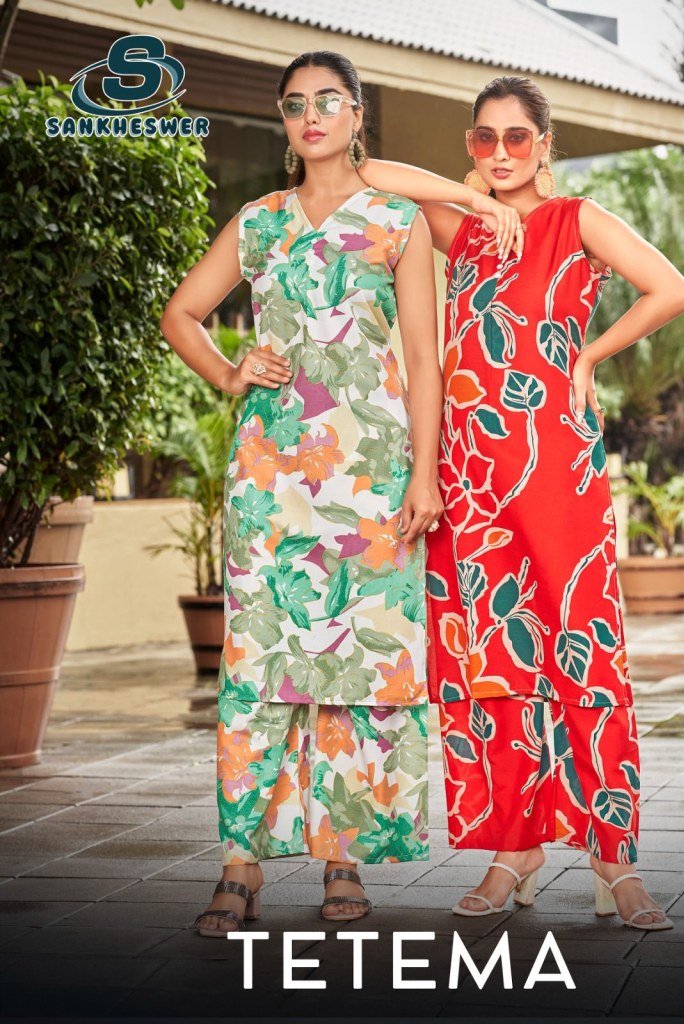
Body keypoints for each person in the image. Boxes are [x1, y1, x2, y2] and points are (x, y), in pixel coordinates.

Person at [358, 75, 684, 930]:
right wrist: (468, 194)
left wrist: (589, 356)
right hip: (470, 475)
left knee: (585, 652)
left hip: (556, 468)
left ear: (545, 144)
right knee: (492, 663)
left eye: (517, 138)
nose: (501, 152)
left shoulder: (578, 219)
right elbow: (369, 173)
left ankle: (614, 858)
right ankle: (515, 850)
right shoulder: (462, 227)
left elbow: (671, 288)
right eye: (485, 138)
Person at [160, 50, 445, 936]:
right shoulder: (259, 222)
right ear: (284, 122)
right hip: (271, 474)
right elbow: (180, 313)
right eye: (294, 104)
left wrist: (425, 472)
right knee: (259, 664)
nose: (311, 116)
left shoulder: (398, 221)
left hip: (372, 474)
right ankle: (239, 865)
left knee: (357, 665)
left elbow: (424, 357)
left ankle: (342, 859)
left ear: (357, 114)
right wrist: (229, 371)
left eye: (328, 101)